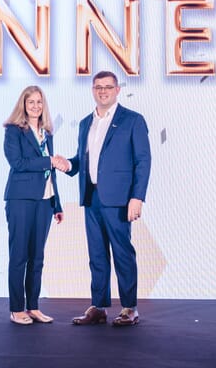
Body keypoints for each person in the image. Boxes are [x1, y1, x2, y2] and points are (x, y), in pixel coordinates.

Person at [53, 70, 151, 327]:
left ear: (118, 90)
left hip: (119, 199)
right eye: (98, 87)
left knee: (122, 252)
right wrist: (69, 165)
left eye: (108, 87)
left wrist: (137, 197)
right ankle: (99, 306)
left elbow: (143, 161)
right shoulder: (86, 122)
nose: (103, 91)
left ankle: (130, 307)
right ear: (92, 90)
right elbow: (83, 160)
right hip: (91, 196)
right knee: (96, 254)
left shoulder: (132, 120)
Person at [3, 85, 64, 325]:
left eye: (39, 102)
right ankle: (17, 309)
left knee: (37, 257)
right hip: (21, 200)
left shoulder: (47, 132)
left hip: (45, 201)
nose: (36, 106)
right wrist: (48, 160)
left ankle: (34, 307)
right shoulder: (14, 131)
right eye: (31, 102)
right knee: (19, 255)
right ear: (23, 105)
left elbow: (52, 172)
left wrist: (57, 203)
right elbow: (17, 163)